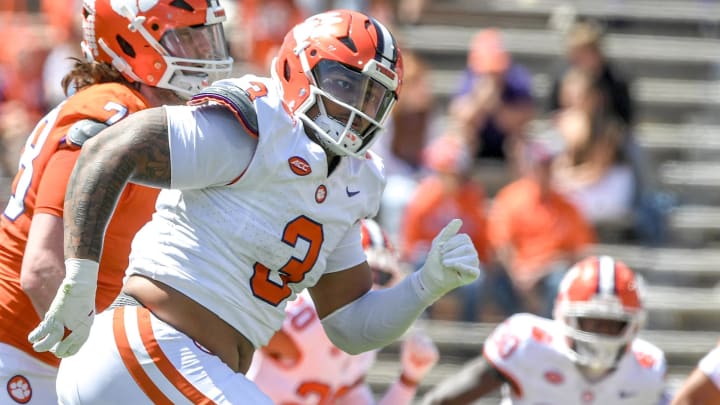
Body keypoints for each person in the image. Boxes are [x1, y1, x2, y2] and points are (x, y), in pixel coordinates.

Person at [28, 9, 480, 403]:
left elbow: (350, 325)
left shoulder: (352, 181)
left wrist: (425, 285)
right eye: (344, 84)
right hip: (148, 348)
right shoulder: (258, 125)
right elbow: (108, 152)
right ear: (299, 70)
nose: (355, 106)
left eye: (371, 95)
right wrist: (80, 278)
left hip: (184, 369)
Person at [0, 0, 233, 403]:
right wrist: (102, 371)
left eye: (205, 37)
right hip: (24, 351)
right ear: (130, 42)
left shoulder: (157, 119)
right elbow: (42, 267)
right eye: (186, 38)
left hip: (56, 347)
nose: (203, 53)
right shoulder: (112, 110)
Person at [421, 256, 669, 405]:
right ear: (565, 316)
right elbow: (444, 401)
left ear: (634, 325)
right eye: (593, 322)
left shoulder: (647, 369)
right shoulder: (528, 343)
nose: (601, 334)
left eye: (613, 324)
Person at [248, 218, 439, 404]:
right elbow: (248, 332)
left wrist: (408, 380)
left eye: (381, 276)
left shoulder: (359, 353)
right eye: (368, 273)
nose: (373, 286)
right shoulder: (308, 317)